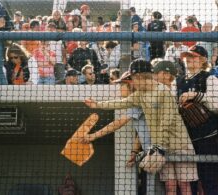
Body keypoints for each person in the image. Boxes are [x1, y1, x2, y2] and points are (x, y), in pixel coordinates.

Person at [84, 58, 198, 195]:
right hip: (161, 148)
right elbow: (122, 103)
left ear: (139, 77)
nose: (132, 83)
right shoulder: (140, 94)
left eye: (133, 78)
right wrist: (97, 104)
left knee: (184, 185)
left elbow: (167, 121)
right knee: (170, 186)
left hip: (179, 145)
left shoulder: (163, 91)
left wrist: (159, 146)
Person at [79, 71, 164, 194]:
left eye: (121, 85)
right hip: (151, 154)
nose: (119, 88)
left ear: (131, 85)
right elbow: (141, 132)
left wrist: (93, 136)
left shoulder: (139, 100)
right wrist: (135, 151)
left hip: (159, 152)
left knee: (161, 188)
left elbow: (118, 123)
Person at [178, 45, 218, 195]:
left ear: (203, 60)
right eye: (187, 57)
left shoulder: (210, 79)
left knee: (210, 182)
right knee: (188, 185)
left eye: (193, 56)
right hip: (185, 140)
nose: (189, 59)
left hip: (208, 138)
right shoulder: (178, 81)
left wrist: (197, 96)